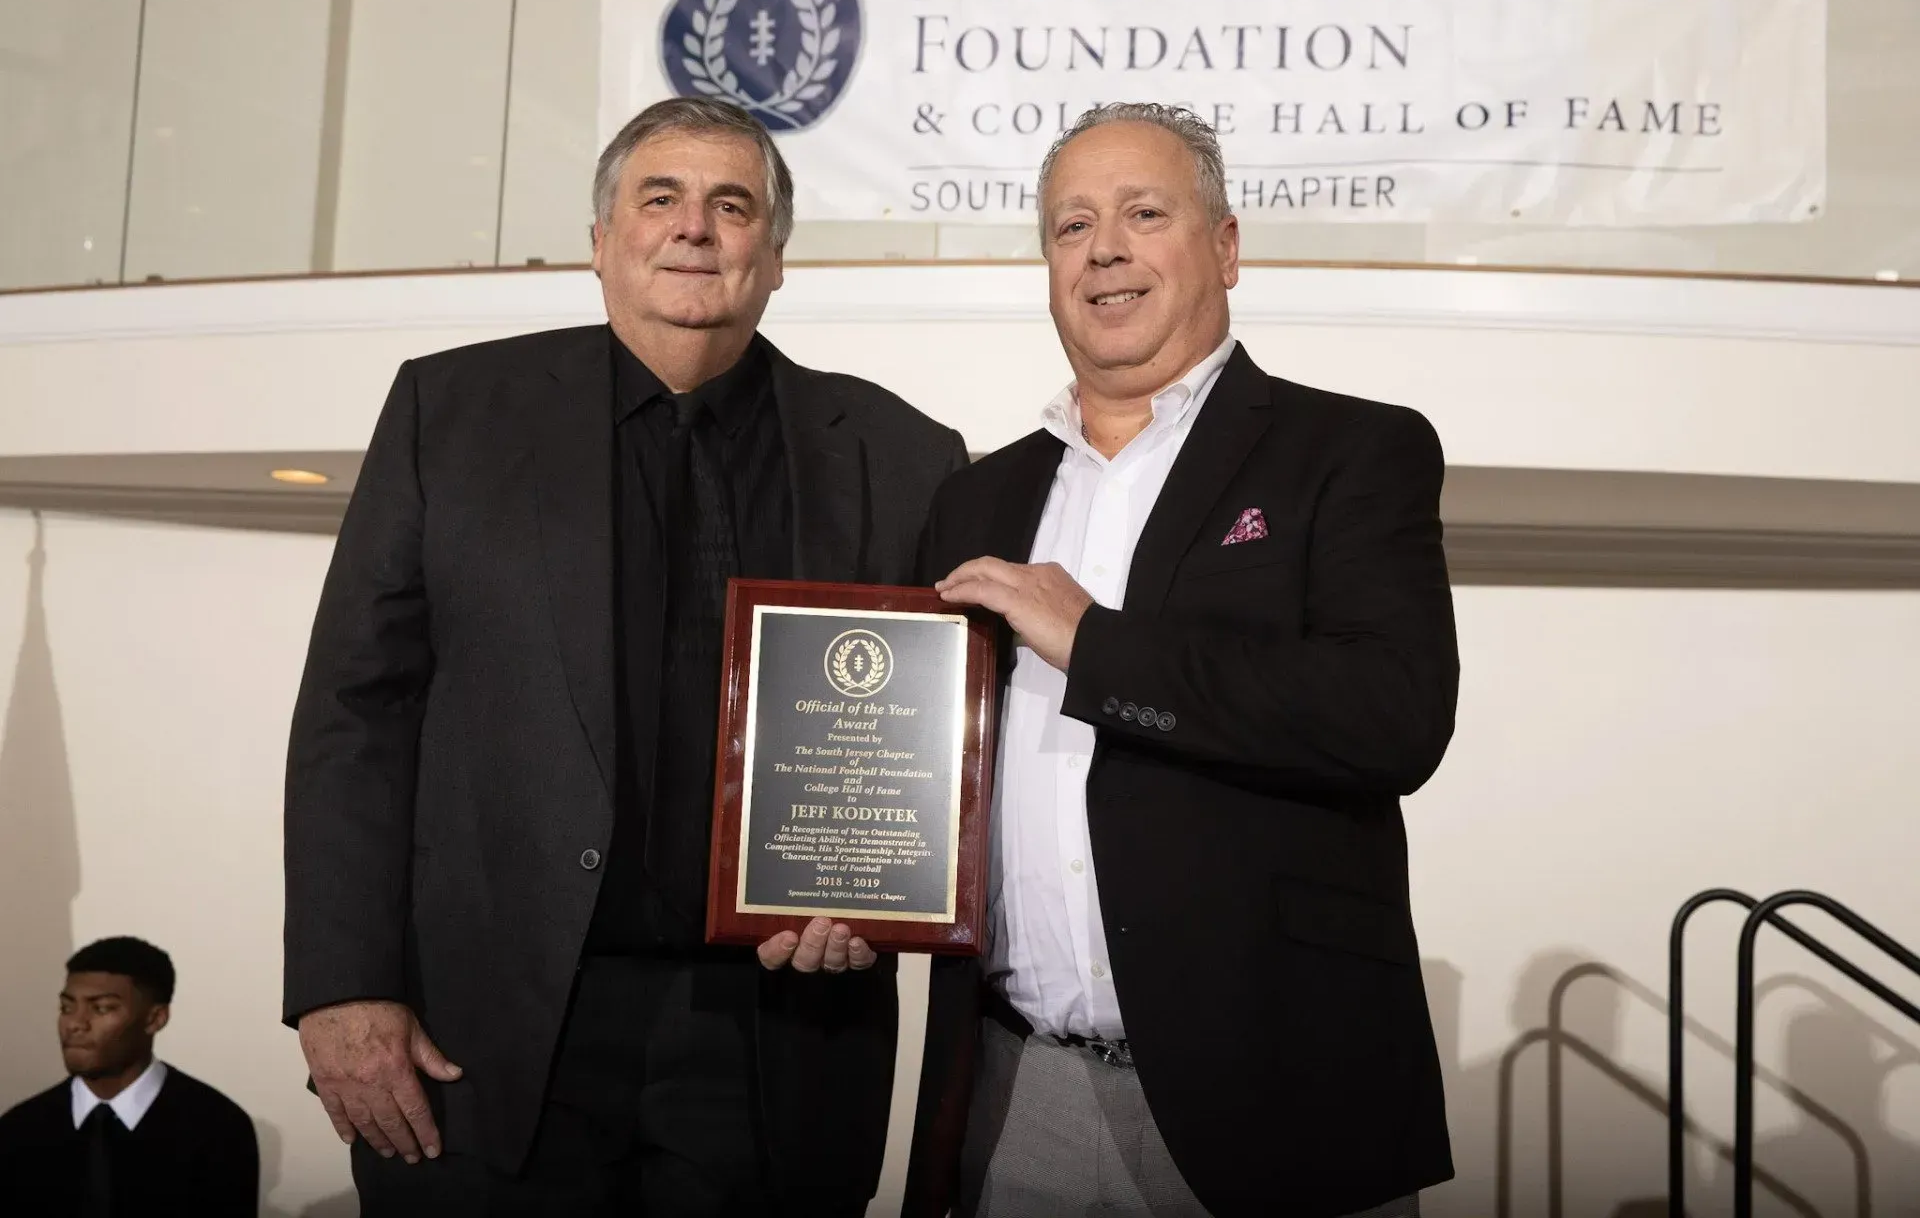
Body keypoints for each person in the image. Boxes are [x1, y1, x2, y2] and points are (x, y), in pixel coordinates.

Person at [283, 95, 969, 1215]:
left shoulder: (901, 453)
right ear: (603, 243)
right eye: (662, 198)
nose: (694, 227)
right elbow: (356, 714)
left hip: (778, 1029)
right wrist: (341, 986)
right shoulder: (448, 412)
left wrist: (883, 898)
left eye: (731, 203)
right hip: (488, 1029)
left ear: (777, 256)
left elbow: (925, 737)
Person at [903, 103, 1459, 1217]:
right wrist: (838, 895)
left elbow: (1392, 716)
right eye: (1072, 225)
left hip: (1275, 1100)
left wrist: (1095, 643)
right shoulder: (975, 495)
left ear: (1227, 246)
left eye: (1143, 213)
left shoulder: (1350, 452)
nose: (1103, 247)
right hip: (1018, 1095)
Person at [0, 936, 258, 1216]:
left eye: (101, 1008)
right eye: (67, 1007)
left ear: (155, 1018)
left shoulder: (218, 1129)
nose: (75, 1023)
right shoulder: (19, 1130)